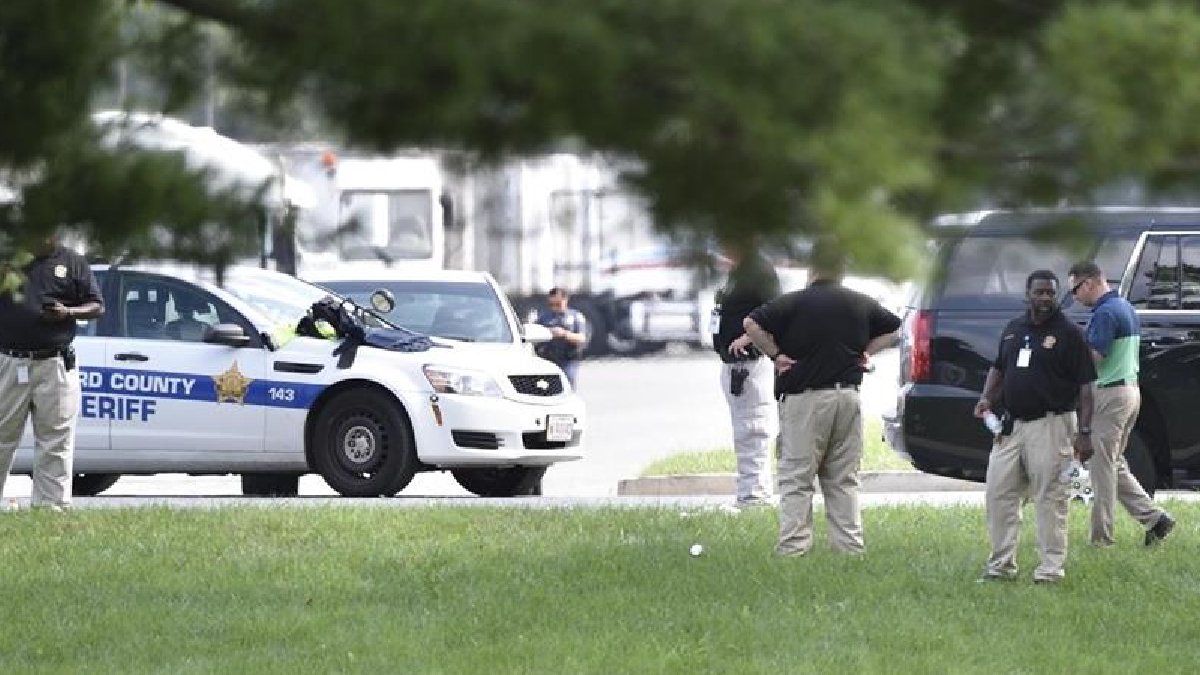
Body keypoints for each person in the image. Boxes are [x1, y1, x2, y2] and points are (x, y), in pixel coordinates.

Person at [743, 240, 900, 555]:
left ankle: (793, 547)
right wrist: (867, 352)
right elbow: (895, 329)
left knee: (797, 477)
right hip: (848, 398)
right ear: (842, 269)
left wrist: (776, 355)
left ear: (812, 267)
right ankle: (849, 548)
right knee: (843, 478)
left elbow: (751, 323)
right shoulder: (860, 303)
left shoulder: (793, 303)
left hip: (806, 400)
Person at [974, 270, 1095, 584]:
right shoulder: (1014, 329)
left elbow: (1086, 386)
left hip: (1052, 424)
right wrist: (986, 398)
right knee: (999, 493)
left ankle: (1050, 570)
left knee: (1050, 497)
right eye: (1039, 292)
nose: (1044, 298)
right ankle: (1000, 567)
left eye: (1050, 293)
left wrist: (1084, 433)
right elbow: (999, 367)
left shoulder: (1069, 333)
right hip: (1011, 425)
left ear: (1057, 296)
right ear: (1028, 294)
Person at [1067, 261, 1175, 546]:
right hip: (1129, 392)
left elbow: (1094, 359)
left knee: (1100, 469)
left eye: (1075, 290)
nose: (1075, 297)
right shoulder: (1125, 307)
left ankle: (1102, 540)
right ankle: (1155, 519)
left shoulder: (1105, 313)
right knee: (1114, 464)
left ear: (1089, 283)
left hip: (1109, 395)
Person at [0, 234, 104, 508]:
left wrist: (68, 312)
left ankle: (51, 509)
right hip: (10, 361)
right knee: (1, 437)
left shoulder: (73, 262)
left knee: (55, 441)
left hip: (55, 363)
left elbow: (97, 306)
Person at [714, 238, 781, 508]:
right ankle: (749, 490)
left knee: (753, 428)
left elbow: (774, 312)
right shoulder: (737, 272)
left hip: (750, 364)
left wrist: (748, 338)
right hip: (732, 364)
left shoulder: (759, 271)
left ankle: (754, 495)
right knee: (743, 428)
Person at [533, 288, 587, 390]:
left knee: (567, 386)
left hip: (568, 359)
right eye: (551, 305)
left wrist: (564, 334)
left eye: (557, 304)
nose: (554, 308)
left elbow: (581, 338)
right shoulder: (544, 317)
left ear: (565, 300)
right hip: (549, 359)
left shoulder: (575, 317)